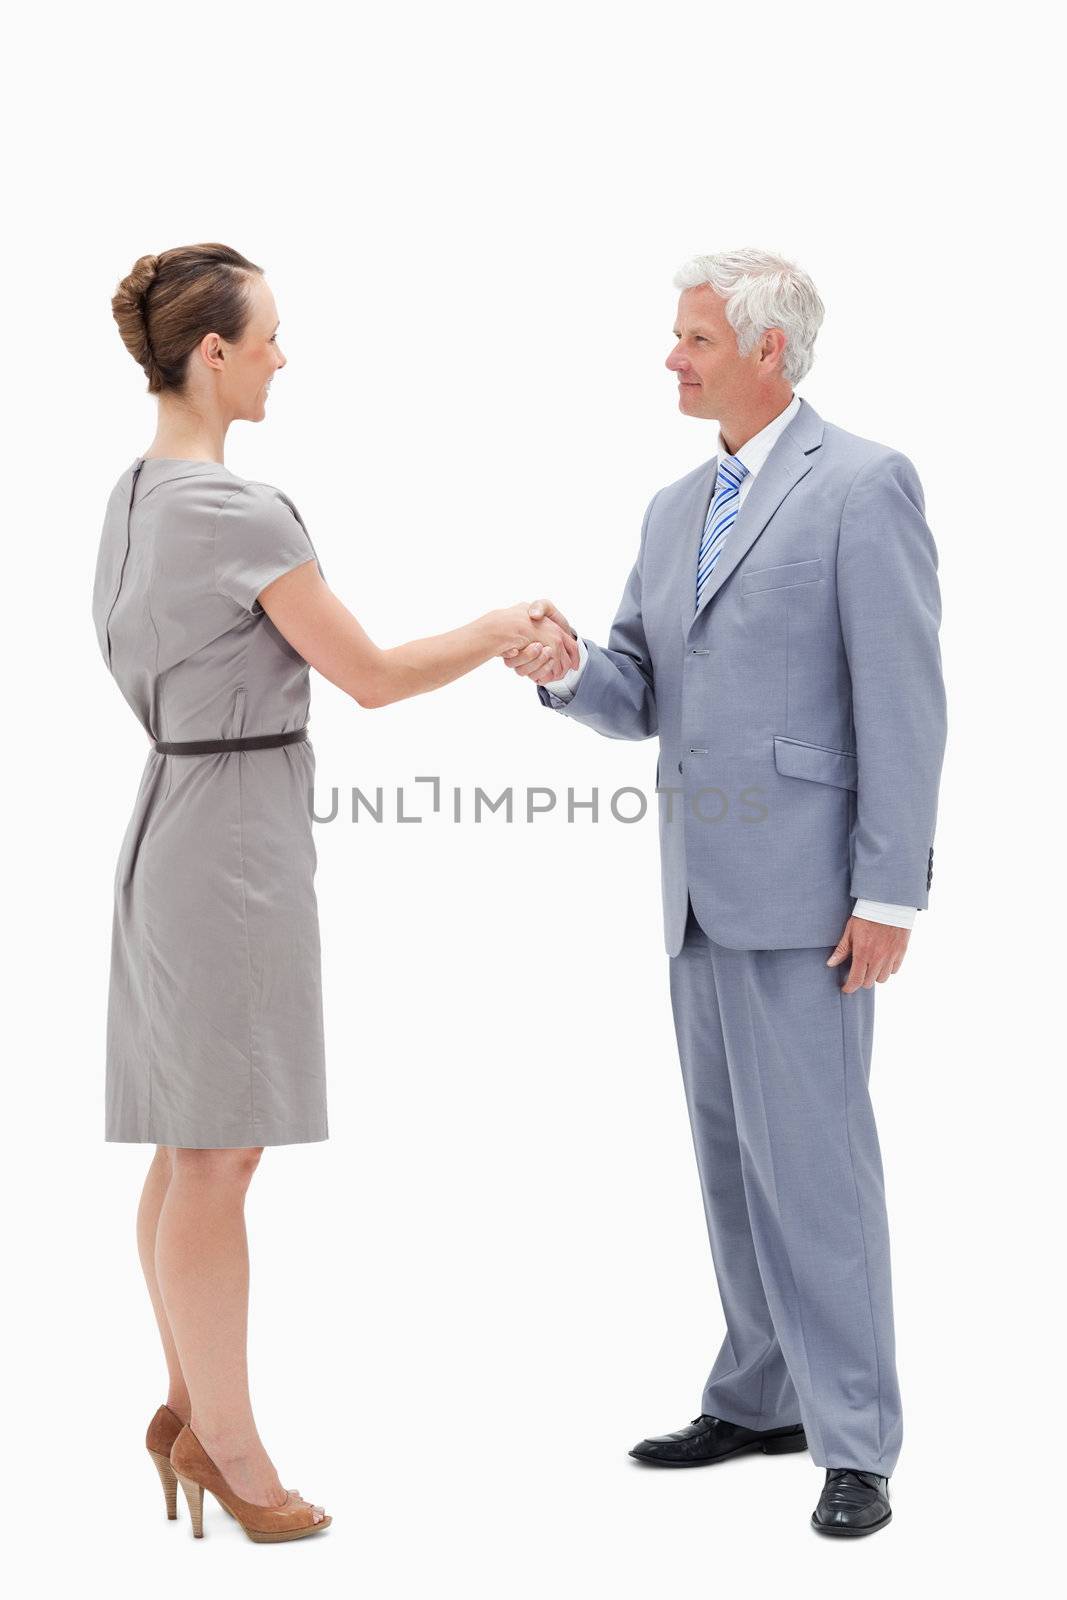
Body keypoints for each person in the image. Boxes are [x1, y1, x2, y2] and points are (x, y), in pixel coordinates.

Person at [94, 242, 577, 1544]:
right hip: (233, 841)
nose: (280, 356)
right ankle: (232, 1449)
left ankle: (193, 1411)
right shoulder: (235, 512)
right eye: (268, 336)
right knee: (218, 1150)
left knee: (195, 1141)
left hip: (177, 814)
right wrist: (498, 629)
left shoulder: (135, 496)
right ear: (212, 354)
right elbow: (366, 674)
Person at [501, 247, 947, 1537]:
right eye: (677, 336)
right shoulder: (668, 506)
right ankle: (761, 1393)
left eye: (694, 338)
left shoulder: (865, 485)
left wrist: (890, 896)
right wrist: (566, 664)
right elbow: (640, 689)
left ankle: (856, 1439)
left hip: (812, 896)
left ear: (768, 351)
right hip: (696, 891)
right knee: (730, 1160)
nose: (671, 357)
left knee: (816, 1167)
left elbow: (905, 705)